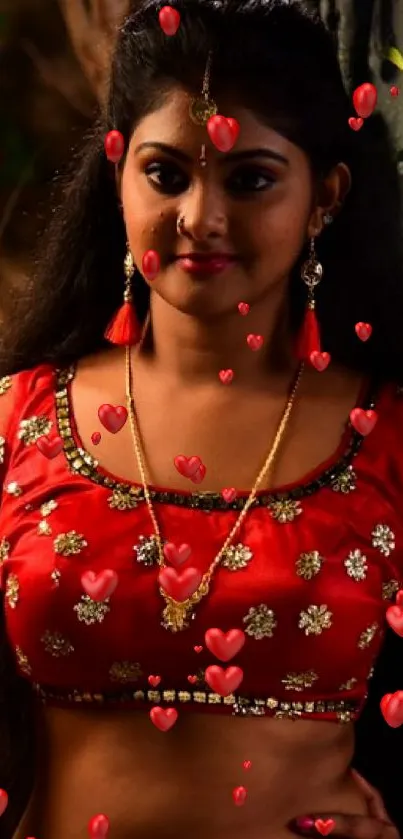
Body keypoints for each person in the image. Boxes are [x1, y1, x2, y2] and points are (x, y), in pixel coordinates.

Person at [0, 0, 402, 837]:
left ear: (323, 196)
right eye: (165, 173)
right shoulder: (18, 419)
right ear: (117, 175)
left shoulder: (385, 429)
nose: (199, 218)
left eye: (249, 179)